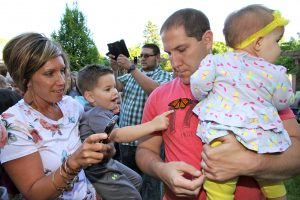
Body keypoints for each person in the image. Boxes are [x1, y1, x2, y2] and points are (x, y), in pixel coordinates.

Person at [135, 8, 300, 200]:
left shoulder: (254, 86)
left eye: (181, 49)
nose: (174, 62)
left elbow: (297, 154)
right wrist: (161, 170)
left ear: (207, 40)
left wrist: (252, 162)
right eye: (169, 53)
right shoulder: (159, 95)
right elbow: (145, 150)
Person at [190, 5, 294, 200]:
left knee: (218, 185)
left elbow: (198, 84)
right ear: (259, 43)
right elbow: (283, 101)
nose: (279, 48)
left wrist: (206, 92)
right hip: (261, 137)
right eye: (277, 41)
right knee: (272, 181)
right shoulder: (273, 71)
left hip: (221, 135)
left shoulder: (216, 61)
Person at [0, 32, 115, 200]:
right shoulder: (12, 124)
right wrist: (73, 163)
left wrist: (104, 151)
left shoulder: (71, 105)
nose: (62, 80)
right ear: (26, 79)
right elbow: (34, 193)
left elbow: (89, 157)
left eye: (62, 71)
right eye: (49, 73)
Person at [76, 64, 172, 200]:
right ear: (90, 97)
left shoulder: (103, 111)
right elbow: (118, 135)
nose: (115, 92)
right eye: (108, 89)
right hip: (96, 168)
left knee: (136, 180)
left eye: (114, 87)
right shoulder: (95, 114)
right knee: (132, 196)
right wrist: (152, 125)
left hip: (106, 161)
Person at [109, 43, 172, 199]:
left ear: (158, 57)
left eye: (147, 55)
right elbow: (116, 86)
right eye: (141, 55)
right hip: (126, 140)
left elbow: (155, 91)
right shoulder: (133, 74)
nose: (142, 58)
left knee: (151, 188)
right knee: (129, 185)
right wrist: (114, 70)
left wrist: (132, 68)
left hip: (148, 142)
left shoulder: (166, 76)